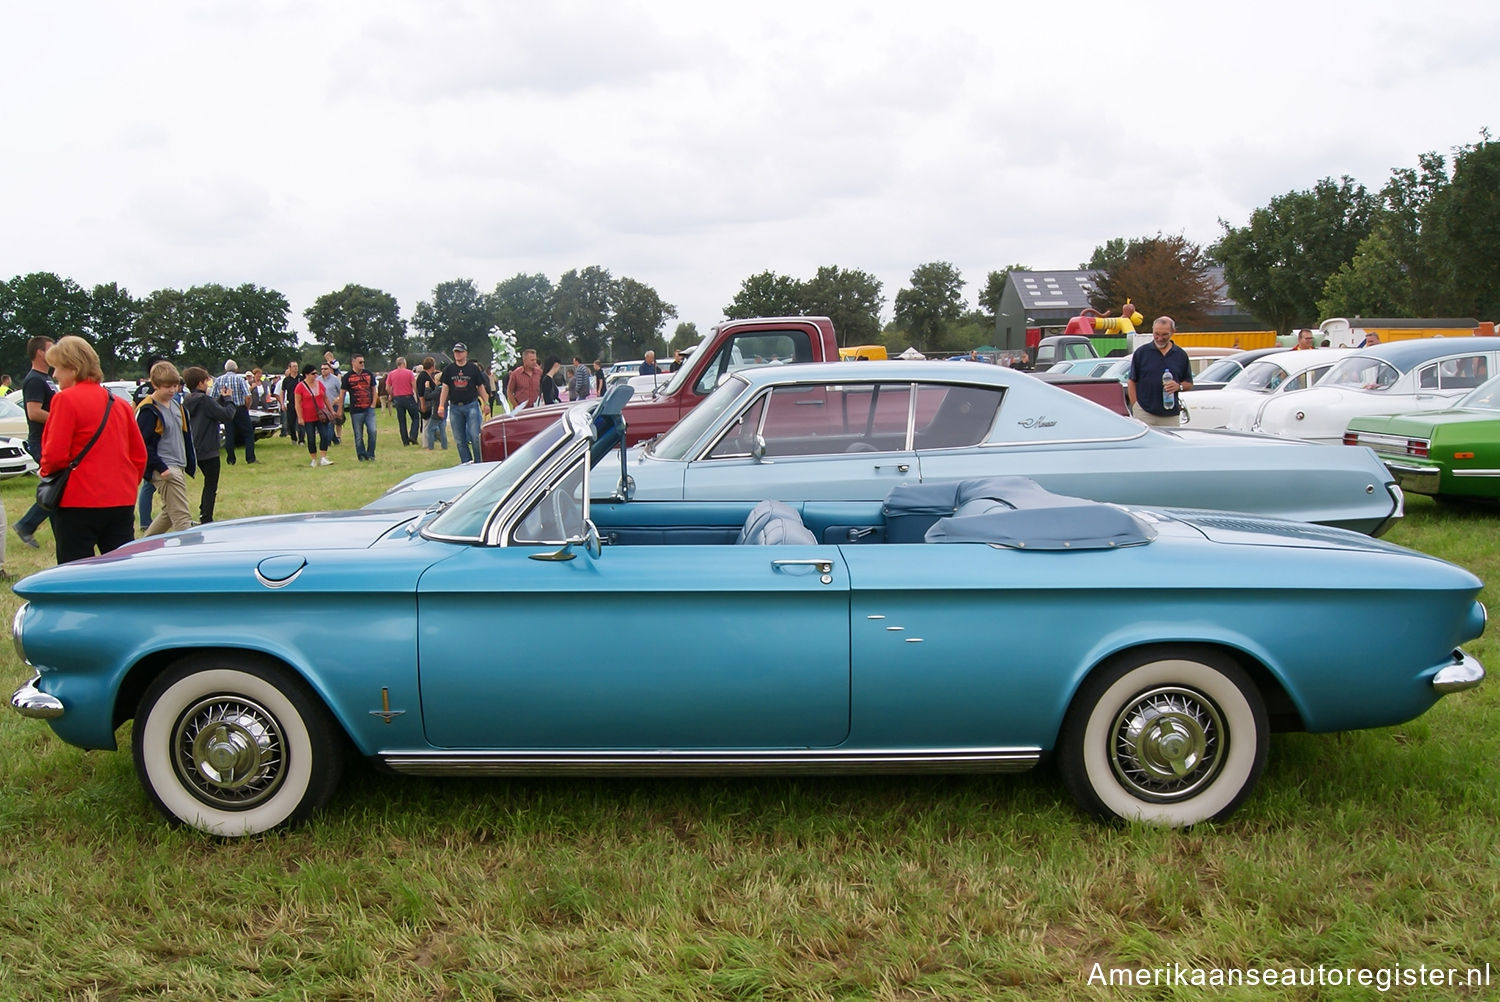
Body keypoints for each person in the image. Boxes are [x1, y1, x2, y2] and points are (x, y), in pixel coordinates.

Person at [39, 336, 147, 564]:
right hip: (120, 500)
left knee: (75, 571)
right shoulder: (119, 404)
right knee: (121, 570)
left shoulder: (65, 400)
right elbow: (139, 456)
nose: (55, 375)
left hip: (78, 500)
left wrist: (46, 472)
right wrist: (126, 484)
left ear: (73, 368)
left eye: (57, 368)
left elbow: (55, 455)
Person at [137, 361, 196, 537]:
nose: (171, 390)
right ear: (154, 385)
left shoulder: (178, 406)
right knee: (182, 519)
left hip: (178, 465)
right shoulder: (149, 410)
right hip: (165, 467)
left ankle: (142, 549)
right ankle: (190, 556)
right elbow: (142, 444)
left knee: (169, 514)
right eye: (166, 387)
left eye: (174, 386)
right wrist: (161, 468)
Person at [13, 336, 57, 549]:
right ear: (40, 353)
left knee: (58, 488)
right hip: (41, 442)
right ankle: (26, 525)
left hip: (51, 440)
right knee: (56, 487)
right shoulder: (34, 380)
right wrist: (61, 418)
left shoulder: (47, 378)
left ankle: (28, 525)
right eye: (51, 348)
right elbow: (33, 412)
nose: (56, 351)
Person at [183, 366, 237, 524]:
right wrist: (229, 400)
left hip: (194, 448)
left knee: (208, 483)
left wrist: (220, 399)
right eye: (206, 382)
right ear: (200, 383)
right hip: (208, 449)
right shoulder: (204, 400)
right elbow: (227, 415)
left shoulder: (188, 399)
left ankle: (203, 514)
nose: (208, 385)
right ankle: (206, 517)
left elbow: (211, 411)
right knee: (211, 485)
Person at [1127, 316, 1192, 427]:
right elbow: (1132, 380)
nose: (1160, 338)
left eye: (1164, 335)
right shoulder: (1141, 353)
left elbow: (1189, 383)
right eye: (1156, 334)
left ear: (1173, 332)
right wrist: (1135, 406)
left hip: (1170, 415)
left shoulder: (1181, 355)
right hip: (1144, 413)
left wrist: (1178, 386)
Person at [436, 342, 491, 463]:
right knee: (460, 440)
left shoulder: (473, 369)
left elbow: (480, 387)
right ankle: (466, 462)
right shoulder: (449, 370)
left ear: (465, 353)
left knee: (475, 436)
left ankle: (479, 462)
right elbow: (445, 388)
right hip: (455, 407)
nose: (457, 354)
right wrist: (441, 405)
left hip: (471, 405)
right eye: (456, 352)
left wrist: (486, 403)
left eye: (460, 352)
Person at [212, 360, 256, 464]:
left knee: (229, 433)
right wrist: (247, 407)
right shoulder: (240, 379)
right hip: (240, 408)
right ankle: (250, 458)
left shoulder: (219, 380)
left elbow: (213, 396)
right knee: (248, 434)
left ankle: (231, 459)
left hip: (226, 408)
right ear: (236, 369)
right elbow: (248, 395)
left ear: (225, 369)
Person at [293, 364, 334, 466]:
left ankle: (323, 457)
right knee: (311, 438)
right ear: (306, 374)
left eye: (316, 373)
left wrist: (331, 410)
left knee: (324, 435)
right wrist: (300, 417)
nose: (315, 375)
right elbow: (297, 403)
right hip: (308, 417)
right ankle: (314, 459)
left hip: (321, 416)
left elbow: (325, 398)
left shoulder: (319, 384)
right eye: (313, 373)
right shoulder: (300, 387)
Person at [342, 354, 379, 460]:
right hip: (356, 410)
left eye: (363, 362)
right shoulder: (347, 377)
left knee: (372, 431)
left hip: (369, 409)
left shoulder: (368, 374)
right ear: (353, 363)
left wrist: (373, 404)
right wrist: (340, 409)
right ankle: (361, 454)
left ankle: (371, 454)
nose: (362, 364)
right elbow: (342, 393)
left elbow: (373, 389)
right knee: (358, 434)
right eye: (360, 362)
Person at [416, 356, 447, 450]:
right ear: (432, 366)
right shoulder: (423, 376)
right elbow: (421, 393)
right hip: (426, 403)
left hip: (431, 403)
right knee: (426, 424)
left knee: (430, 424)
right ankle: (426, 444)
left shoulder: (427, 376)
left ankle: (434, 441)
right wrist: (423, 405)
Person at [387, 357, 419, 446]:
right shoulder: (409, 373)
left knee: (402, 420)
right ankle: (413, 435)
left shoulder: (391, 374)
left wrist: (392, 394)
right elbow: (414, 386)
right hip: (408, 397)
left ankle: (405, 441)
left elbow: (387, 387)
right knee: (415, 417)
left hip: (397, 398)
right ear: (404, 363)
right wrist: (418, 397)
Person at [319, 362, 344, 444]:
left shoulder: (335, 379)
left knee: (331, 424)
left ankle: (327, 442)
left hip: (333, 405)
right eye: (322, 369)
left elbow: (341, 391)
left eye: (325, 369)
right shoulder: (317, 380)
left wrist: (338, 400)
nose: (323, 370)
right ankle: (335, 440)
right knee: (324, 424)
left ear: (330, 370)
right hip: (322, 406)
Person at [280, 361, 302, 441]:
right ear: (289, 368)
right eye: (293, 366)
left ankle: (301, 439)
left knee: (300, 422)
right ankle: (294, 438)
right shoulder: (286, 380)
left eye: (296, 366)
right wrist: (282, 403)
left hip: (300, 403)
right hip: (291, 403)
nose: (295, 368)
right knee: (291, 422)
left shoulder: (301, 379)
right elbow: (282, 392)